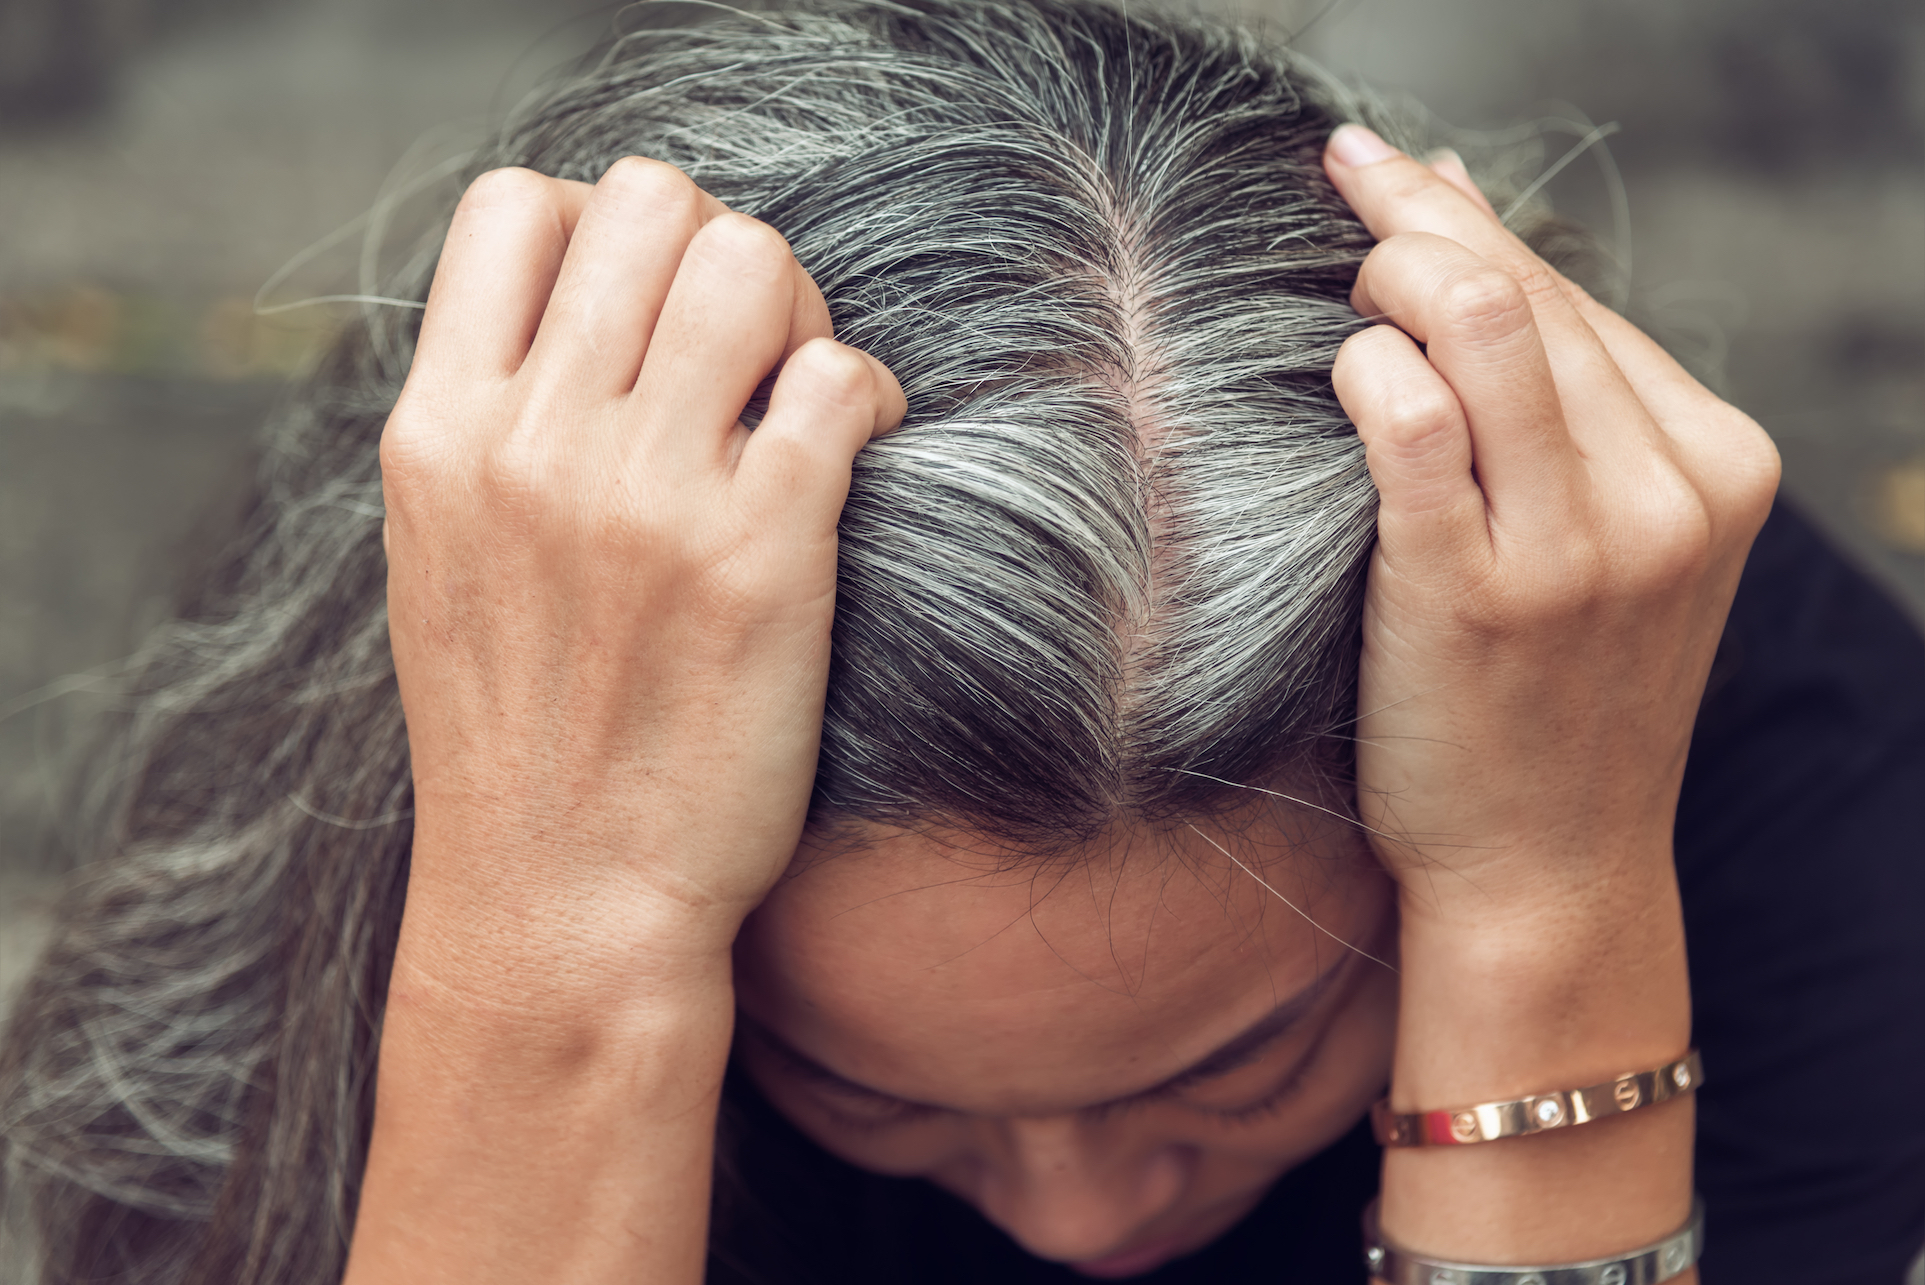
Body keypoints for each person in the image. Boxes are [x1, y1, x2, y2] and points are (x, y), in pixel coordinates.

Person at [2, 1, 1921, 1282]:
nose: (1082, 1221)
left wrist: (1543, 906)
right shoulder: (391, 828)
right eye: (870, 1088)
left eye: (1234, 1066)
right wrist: (551, 932)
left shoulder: (1796, 813)